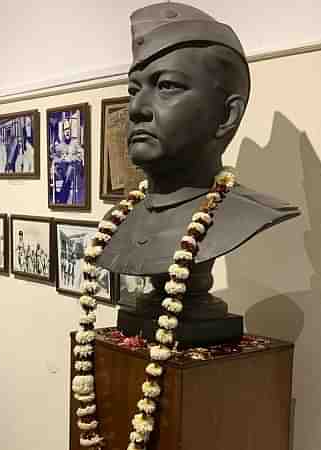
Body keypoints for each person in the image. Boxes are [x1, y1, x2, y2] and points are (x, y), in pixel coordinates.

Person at [95, 2, 300, 339]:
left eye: (167, 86)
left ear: (226, 116)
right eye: (134, 89)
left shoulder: (249, 214)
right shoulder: (117, 223)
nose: (136, 108)